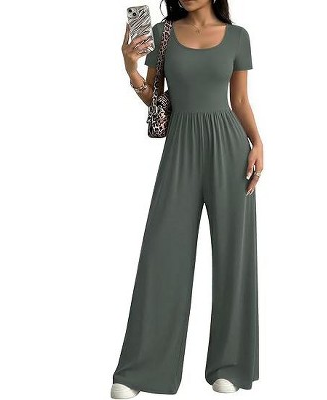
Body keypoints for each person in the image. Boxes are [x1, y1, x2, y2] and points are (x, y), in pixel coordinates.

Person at [111, 0, 263, 398]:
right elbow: (156, 98)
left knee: (233, 256)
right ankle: (142, 370)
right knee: (163, 253)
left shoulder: (238, 37)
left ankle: (230, 366)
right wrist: (130, 69)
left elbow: (239, 101)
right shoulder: (161, 33)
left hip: (230, 150)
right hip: (180, 147)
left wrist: (258, 143)